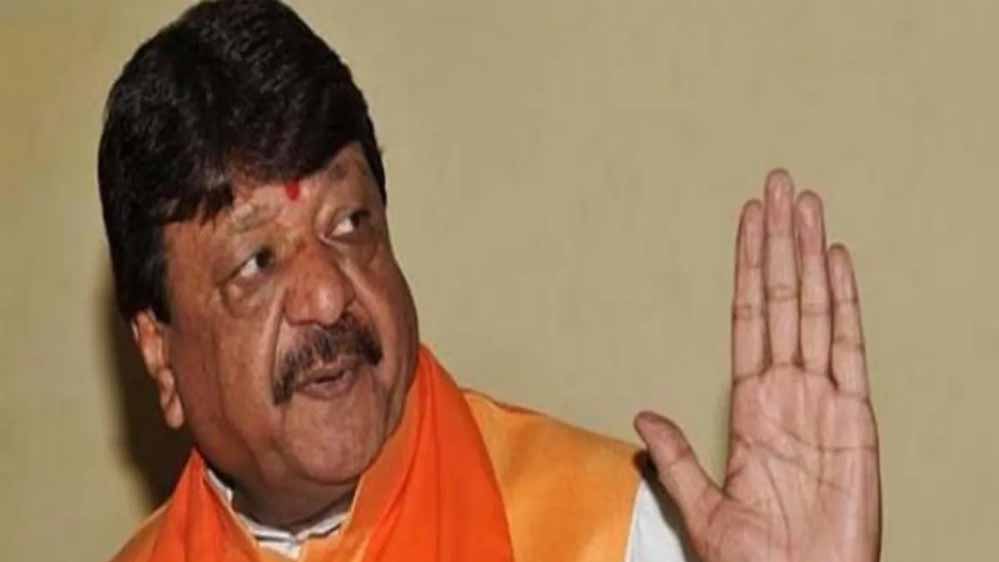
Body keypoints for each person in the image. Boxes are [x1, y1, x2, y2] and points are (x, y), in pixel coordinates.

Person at [98, 1, 881, 561]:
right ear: (160, 355)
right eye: (258, 263)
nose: (328, 295)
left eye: (349, 224)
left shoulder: (611, 534)